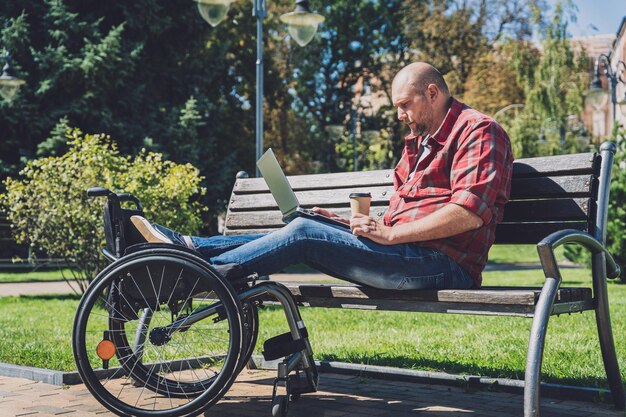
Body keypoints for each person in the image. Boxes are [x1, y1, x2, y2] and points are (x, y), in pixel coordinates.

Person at [131, 62, 513, 290]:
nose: (399, 115)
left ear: (432, 93)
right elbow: (397, 220)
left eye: (404, 106)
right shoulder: (420, 142)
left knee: (302, 235)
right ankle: (189, 248)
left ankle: (186, 277)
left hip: (442, 267)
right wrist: (350, 225)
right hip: (406, 253)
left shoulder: (478, 131)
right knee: (304, 224)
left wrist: (391, 234)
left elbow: (468, 212)